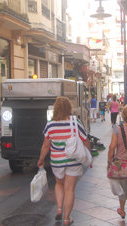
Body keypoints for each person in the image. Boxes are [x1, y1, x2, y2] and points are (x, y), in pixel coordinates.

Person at [37, 96, 90, 226]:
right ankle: (66, 219)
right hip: (73, 161)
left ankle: (59, 208)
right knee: (70, 190)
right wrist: (88, 154)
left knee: (59, 184)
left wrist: (41, 159)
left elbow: (46, 145)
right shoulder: (76, 122)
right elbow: (85, 140)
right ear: (69, 108)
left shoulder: (50, 124)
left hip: (57, 161)